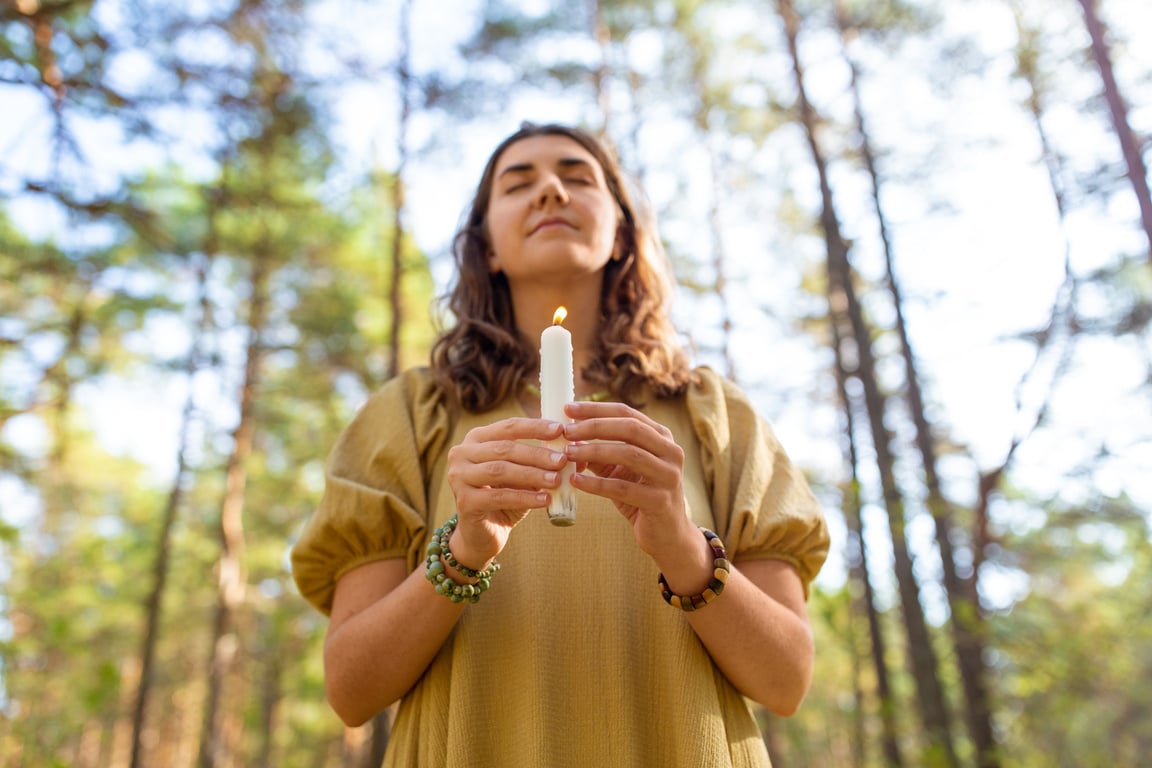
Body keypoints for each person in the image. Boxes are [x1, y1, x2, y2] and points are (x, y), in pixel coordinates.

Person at [291, 122, 830, 767]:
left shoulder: (715, 413)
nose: (549, 190)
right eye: (518, 184)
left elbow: (787, 681)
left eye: (577, 177)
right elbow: (352, 691)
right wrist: (463, 551)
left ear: (622, 234)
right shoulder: (409, 414)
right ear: (486, 246)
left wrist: (683, 547)